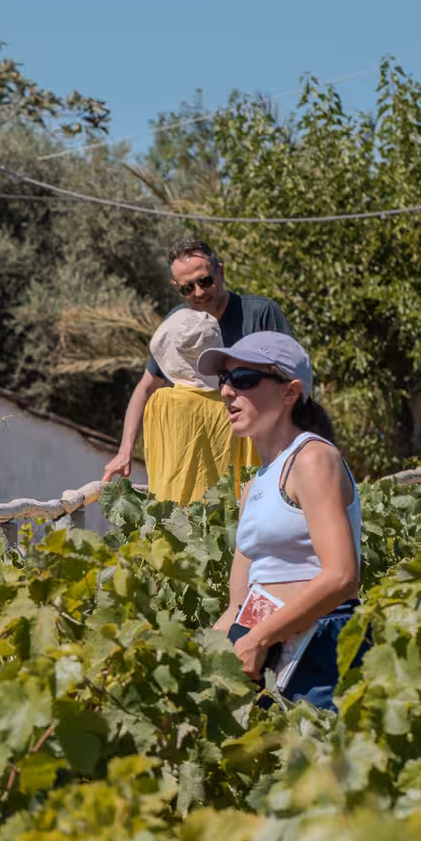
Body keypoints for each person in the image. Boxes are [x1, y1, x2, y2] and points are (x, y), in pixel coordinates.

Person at [204, 332, 362, 712]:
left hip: (318, 648)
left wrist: (259, 639)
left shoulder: (312, 459)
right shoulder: (254, 484)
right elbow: (237, 604)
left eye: (243, 379)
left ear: (289, 393)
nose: (227, 392)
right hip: (262, 645)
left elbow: (342, 576)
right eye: (224, 380)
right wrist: (196, 658)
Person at [105, 238, 291, 482]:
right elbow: (146, 387)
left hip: (260, 456)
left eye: (205, 281)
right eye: (187, 288)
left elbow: (293, 378)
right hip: (207, 465)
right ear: (177, 288)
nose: (199, 292)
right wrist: (125, 450)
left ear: (221, 272)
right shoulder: (178, 325)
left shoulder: (260, 313)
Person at [140, 308, 253, 504]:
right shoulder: (238, 406)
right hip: (222, 524)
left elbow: (152, 459)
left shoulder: (159, 403)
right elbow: (251, 468)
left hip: (169, 520)